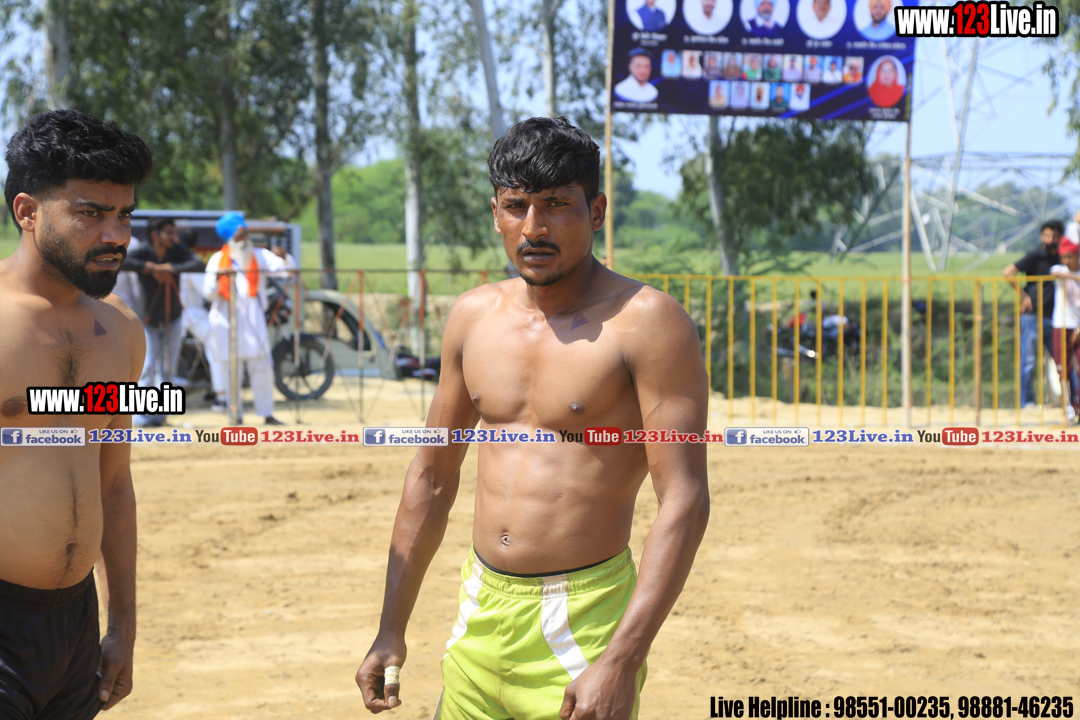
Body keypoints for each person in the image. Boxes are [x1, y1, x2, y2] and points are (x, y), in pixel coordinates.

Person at [355, 116, 710, 720]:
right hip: (480, 609)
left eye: (556, 205)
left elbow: (684, 498)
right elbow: (432, 476)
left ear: (596, 211)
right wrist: (390, 628)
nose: (534, 228)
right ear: (495, 213)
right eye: (516, 206)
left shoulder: (648, 323)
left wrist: (622, 660)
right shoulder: (472, 316)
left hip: (587, 621)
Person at [1, 109, 150, 718]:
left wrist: (123, 626)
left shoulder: (122, 331)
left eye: (125, 215)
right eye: (90, 213)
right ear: (28, 212)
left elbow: (113, 481)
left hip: (75, 628)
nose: (116, 234)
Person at [203, 212, 293, 424]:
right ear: (230, 239)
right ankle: (235, 414)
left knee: (262, 367)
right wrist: (219, 277)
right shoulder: (216, 260)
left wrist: (284, 258)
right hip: (226, 322)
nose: (244, 239)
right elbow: (208, 293)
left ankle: (266, 413)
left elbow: (285, 272)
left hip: (253, 320)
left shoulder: (260, 255)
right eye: (239, 236)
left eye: (245, 234)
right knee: (230, 371)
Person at [121, 217, 205, 426]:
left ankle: (161, 415)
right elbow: (123, 262)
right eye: (169, 233)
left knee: (168, 368)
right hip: (147, 319)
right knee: (147, 366)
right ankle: (141, 416)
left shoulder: (176, 250)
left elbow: (197, 263)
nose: (173, 237)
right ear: (155, 235)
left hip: (173, 318)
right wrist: (151, 268)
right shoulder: (144, 250)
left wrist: (171, 268)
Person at [1003, 219, 1062, 408]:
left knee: (1062, 362)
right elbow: (1008, 272)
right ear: (1041, 236)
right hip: (1032, 316)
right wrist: (1024, 296)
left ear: (1060, 237)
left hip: (1056, 317)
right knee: (1028, 362)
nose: (1050, 239)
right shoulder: (1036, 255)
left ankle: (1070, 401)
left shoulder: (1063, 256)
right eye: (1047, 235)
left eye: (1054, 236)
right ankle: (1027, 402)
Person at [1049, 237, 1080, 421]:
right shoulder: (1059, 269)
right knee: (1063, 369)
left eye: (1070, 257)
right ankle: (1069, 408)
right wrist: (1074, 276)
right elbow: (1055, 272)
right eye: (1064, 257)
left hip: (1078, 325)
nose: (1067, 261)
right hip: (1061, 324)